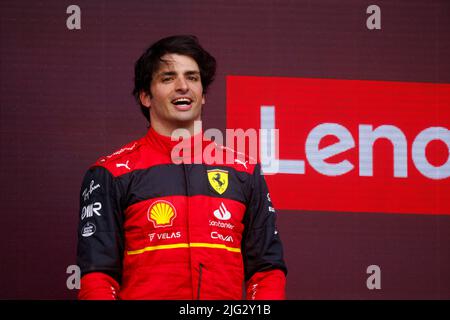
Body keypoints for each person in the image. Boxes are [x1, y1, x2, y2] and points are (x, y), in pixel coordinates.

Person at [77, 35, 287, 300]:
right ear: (145, 96)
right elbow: (98, 276)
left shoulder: (244, 170)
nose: (183, 86)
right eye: (168, 78)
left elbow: (267, 270)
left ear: (203, 95)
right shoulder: (110, 173)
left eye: (192, 77)